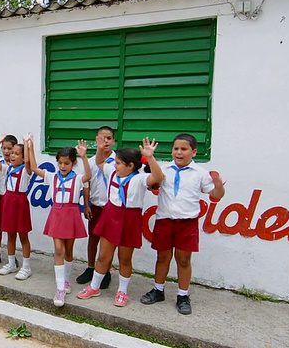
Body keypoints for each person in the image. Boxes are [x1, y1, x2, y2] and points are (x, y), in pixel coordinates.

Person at [140, 133, 225, 315]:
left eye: (184, 149)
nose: (179, 152)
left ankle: (183, 295)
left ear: (193, 152)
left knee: (184, 260)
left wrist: (218, 185)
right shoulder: (164, 169)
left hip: (187, 223)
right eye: (176, 149)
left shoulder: (200, 174)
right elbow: (153, 182)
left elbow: (216, 196)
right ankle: (158, 289)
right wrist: (149, 157)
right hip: (164, 220)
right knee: (162, 257)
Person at [77, 137, 164, 307]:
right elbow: (100, 161)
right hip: (111, 215)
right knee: (103, 256)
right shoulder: (112, 172)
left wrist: (150, 157)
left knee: (124, 258)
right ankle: (94, 287)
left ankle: (122, 291)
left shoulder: (140, 179)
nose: (114, 165)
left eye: (118, 163)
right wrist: (100, 148)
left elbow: (158, 177)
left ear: (130, 166)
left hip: (129, 218)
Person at [25, 136, 91, 307]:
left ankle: (66, 280)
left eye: (66, 163)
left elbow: (89, 176)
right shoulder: (52, 176)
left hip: (72, 214)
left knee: (68, 251)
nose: (62, 166)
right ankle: (60, 288)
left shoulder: (77, 179)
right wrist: (30, 147)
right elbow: (33, 167)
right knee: (59, 249)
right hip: (57, 214)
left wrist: (84, 156)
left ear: (73, 163)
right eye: (60, 163)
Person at [77, 127, 117, 286]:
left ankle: (105, 270)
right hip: (96, 206)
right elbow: (86, 184)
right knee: (93, 237)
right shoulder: (91, 161)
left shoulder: (118, 161)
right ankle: (90, 267)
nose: (105, 141)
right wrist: (86, 205)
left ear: (114, 141)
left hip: (112, 208)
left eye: (109, 138)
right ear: (96, 140)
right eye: (102, 138)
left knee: (108, 241)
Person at [0, 137, 33, 280]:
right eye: (11, 153)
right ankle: (11, 263)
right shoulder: (7, 169)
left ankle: (26, 267)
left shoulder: (26, 171)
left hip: (20, 202)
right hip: (8, 202)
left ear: (23, 157)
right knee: (10, 234)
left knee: (23, 235)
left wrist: (28, 145)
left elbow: (29, 162)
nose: (12, 155)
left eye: (16, 153)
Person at [0, 135, 18, 268]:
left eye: (9, 149)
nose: (6, 151)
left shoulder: (18, 165)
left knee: (11, 230)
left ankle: (12, 256)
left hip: (11, 199)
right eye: (4, 148)